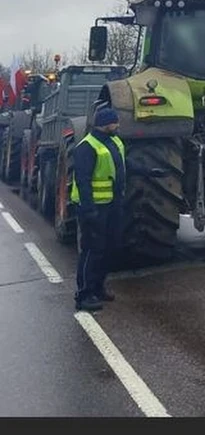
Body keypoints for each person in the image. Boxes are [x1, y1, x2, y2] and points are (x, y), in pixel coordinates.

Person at [70, 107, 126, 312]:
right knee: (92, 249)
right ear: (105, 123)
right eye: (115, 122)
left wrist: (149, 172)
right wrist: (89, 209)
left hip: (111, 205)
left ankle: (98, 287)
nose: (118, 125)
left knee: (108, 248)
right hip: (93, 207)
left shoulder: (114, 142)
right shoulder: (87, 147)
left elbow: (122, 167)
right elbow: (82, 181)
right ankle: (83, 294)